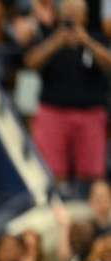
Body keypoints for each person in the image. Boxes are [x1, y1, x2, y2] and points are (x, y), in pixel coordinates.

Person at [24, 0, 111, 188]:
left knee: (91, 180)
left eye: (76, 11)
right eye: (67, 11)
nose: (71, 15)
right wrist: (57, 41)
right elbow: (30, 63)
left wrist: (86, 41)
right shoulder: (47, 35)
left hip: (90, 115)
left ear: (85, 17)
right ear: (59, 14)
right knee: (51, 176)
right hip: (52, 114)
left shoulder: (97, 38)